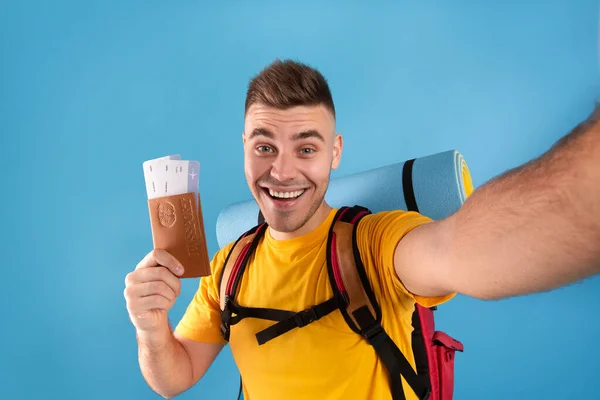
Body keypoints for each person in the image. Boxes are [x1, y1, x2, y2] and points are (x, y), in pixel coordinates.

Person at [124, 59, 600, 399]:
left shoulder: (373, 243)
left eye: (306, 149)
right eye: (265, 147)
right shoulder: (229, 266)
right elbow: (174, 378)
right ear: (244, 147)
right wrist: (150, 328)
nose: (282, 171)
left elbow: (464, 250)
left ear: (335, 152)